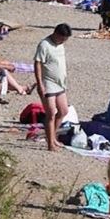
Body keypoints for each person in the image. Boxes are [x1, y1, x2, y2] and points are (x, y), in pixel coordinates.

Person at [34, 23, 72, 152]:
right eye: (62, 38)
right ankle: (50, 144)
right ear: (56, 33)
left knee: (63, 111)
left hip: (60, 83)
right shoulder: (44, 45)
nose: (63, 41)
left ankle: (53, 137)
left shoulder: (61, 45)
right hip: (48, 83)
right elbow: (37, 63)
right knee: (51, 113)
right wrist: (39, 83)